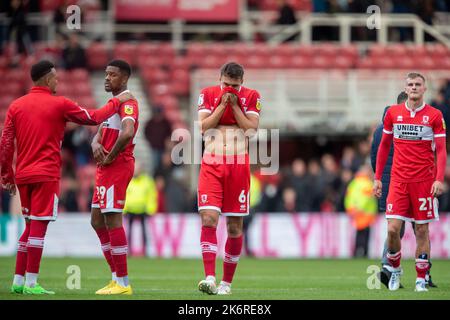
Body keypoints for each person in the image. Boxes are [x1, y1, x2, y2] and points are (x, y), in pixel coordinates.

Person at [0, 60, 132, 295]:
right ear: (47, 79)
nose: (58, 81)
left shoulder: (16, 106)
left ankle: (18, 281)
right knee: (39, 227)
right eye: (55, 77)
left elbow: (6, 143)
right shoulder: (59, 104)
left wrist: (6, 175)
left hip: (23, 174)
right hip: (46, 173)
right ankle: (31, 283)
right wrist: (117, 101)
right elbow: (94, 116)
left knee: (28, 227)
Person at [373, 72, 447, 292]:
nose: (413, 88)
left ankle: (421, 278)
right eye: (410, 85)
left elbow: (442, 151)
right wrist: (377, 178)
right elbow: (384, 147)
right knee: (393, 230)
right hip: (398, 181)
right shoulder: (393, 114)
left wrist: (439, 179)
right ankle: (394, 270)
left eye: (417, 84)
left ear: (424, 89)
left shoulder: (435, 115)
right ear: (405, 89)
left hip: (423, 182)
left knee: (422, 231)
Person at [197, 62, 261, 295]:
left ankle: (226, 284)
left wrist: (234, 107)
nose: (229, 89)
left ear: (242, 82)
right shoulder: (207, 94)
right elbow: (203, 127)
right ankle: (209, 278)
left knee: (234, 227)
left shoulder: (252, 96)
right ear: (219, 79)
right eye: (226, 84)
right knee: (209, 219)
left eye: (234, 85)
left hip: (238, 164)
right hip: (212, 163)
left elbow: (251, 130)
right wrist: (222, 104)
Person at [89, 60, 139, 295]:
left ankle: (123, 282)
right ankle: (115, 277)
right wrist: (95, 143)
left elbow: (128, 132)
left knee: (112, 219)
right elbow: (99, 134)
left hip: (117, 165)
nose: (107, 78)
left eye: (113, 75)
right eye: (106, 74)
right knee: (97, 221)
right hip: (105, 167)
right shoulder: (112, 105)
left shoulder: (127, 103)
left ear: (125, 78)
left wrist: (111, 157)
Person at [124, 161, 157, 257]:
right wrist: (124, 209)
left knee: (144, 232)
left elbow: (152, 195)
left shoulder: (147, 180)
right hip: (130, 209)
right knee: (129, 232)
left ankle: (145, 251)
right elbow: (123, 195)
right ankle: (128, 250)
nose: (136, 171)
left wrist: (151, 209)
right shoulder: (128, 180)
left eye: (138, 169)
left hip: (143, 210)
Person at [344, 164, 377, 258]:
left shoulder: (353, 183)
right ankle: (364, 253)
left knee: (359, 233)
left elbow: (348, 197)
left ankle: (356, 252)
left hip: (355, 212)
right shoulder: (367, 183)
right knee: (365, 235)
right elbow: (366, 199)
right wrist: (360, 209)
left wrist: (350, 209)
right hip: (365, 213)